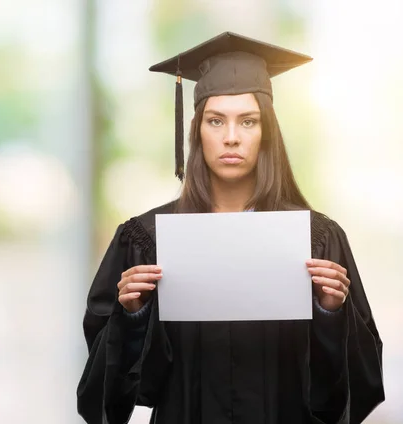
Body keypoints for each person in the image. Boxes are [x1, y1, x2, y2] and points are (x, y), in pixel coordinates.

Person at [76, 32, 384, 424]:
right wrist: (133, 317)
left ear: (266, 133)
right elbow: (105, 399)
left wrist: (330, 314)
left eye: (248, 121)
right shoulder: (147, 239)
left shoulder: (316, 239)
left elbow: (356, 390)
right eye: (216, 120)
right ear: (196, 131)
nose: (232, 137)